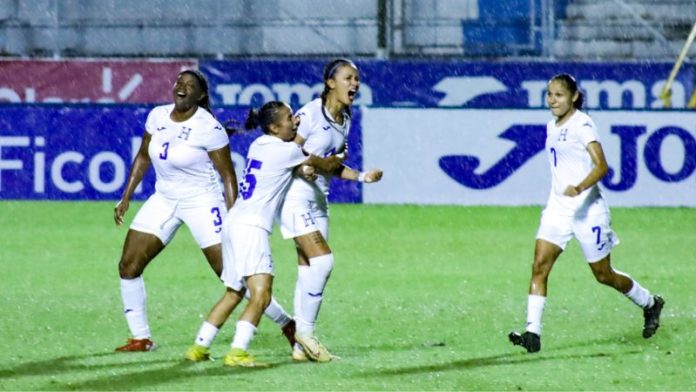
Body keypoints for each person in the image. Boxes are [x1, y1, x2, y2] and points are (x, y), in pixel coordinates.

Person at [113, 70, 295, 352]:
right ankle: (141, 338)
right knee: (128, 265)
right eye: (179, 83)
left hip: (202, 201)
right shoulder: (158, 116)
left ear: (200, 96)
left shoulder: (208, 128)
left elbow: (228, 176)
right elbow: (142, 155)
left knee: (233, 276)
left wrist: (233, 215)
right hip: (164, 198)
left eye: (191, 85)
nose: (182, 87)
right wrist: (126, 196)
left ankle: (287, 323)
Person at [508, 73, 665, 353]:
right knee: (539, 265)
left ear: (574, 97)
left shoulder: (583, 124)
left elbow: (602, 166)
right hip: (558, 209)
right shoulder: (551, 126)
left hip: (588, 210)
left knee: (603, 274)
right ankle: (533, 333)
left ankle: (651, 303)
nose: (552, 100)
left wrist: (579, 187)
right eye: (549, 94)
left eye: (559, 95)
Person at [185, 101, 344, 367]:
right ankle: (238, 352)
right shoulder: (287, 150)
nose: (296, 122)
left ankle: (199, 347)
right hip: (252, 228)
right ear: (274, 126)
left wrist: (307, 166)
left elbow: (299, 165)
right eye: (290, 118)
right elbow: (324, 164)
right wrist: (337, 157)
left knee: (234, 292)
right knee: (261, 295)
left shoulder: (259, 145)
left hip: (233, 222)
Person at [278, 58, 383, 362]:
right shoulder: (309, 114)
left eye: (357, 79)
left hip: (319, 201)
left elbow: (331, 165)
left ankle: (299, 348)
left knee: (307, 269)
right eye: (349, 78)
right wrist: (303, 168)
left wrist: (362, 176)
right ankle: (307, 335)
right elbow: (287, 151)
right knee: (323, 263)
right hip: (295, 198)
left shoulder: (345, 118)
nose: (355, 84)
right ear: (330, 82)